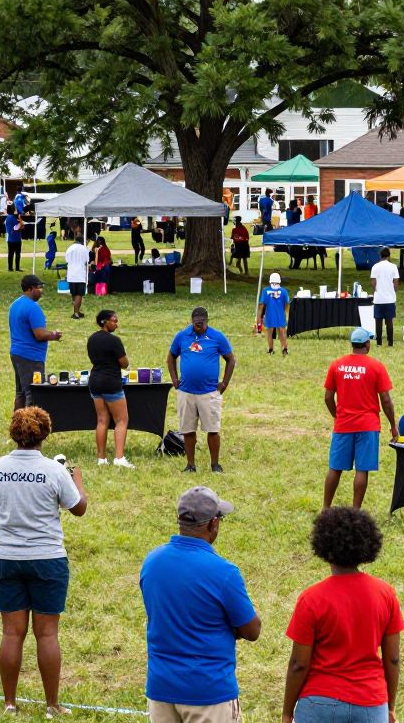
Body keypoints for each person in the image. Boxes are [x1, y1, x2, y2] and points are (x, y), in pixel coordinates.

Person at [0, 406, 87, 716]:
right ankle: (52, 704)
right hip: (47, 559)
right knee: (47, 634)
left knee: (12, 633)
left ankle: (10, 703)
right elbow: (78, 509)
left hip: (7, 558)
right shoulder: (54, 470)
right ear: (45, 434)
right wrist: (77, 480)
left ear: (13, 433)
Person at [140, 486, 261, 723]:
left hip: (161, 687)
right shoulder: (224, 572)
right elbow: (252, 630)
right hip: (209, 692)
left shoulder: (152, 562)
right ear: (213, 524)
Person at [282, 507, 403, 723]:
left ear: (324, 547)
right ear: (367, 547)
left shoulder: (311, 599)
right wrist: (389, 707)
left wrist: (287, 712)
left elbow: (298, 664)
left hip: (319, 703)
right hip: (370, 702)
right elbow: (393, 658)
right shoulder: (386, 594)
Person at [323, 327, 397, 510]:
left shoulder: (337, 365)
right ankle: (355, 512)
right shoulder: (376, 367)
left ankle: (325, 509)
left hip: (343, 425)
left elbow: (327, 397)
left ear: (352, 345)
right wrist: (393, 425)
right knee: (362, 470)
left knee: (335, 468)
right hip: (368, 426)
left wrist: (337, 415)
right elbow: (386, 400)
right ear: (367, 345)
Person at [167, 307, 236, 473]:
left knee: (212, 429)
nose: (199, 326)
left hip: (209, 391)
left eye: (202, 323)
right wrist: (175, 380)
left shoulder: (217, 337)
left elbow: (231, 359)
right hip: (186, 391)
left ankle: (215, 464)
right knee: (188, 430)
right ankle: (190, 465)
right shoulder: (182, 336)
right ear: (192, 322)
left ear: (207, 321)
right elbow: (171, 358)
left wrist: (224, 383)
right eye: (196, 323)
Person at [88, 310, 135, 468]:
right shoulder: (114, 341)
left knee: (101, 420)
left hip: (94, 381)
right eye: (114, 321)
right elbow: (124, 363)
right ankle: (119, 458)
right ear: (104, 322)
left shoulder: (92, 339)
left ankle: (101, 459)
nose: (116, 323)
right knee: (121, 420)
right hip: (111, 382)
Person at [8, 275, 62, 410]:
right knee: (33, 393)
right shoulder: (33, 307)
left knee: (20, 393)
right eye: (39, 288)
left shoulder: (15, 304)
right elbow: (39, 334)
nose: (41, 291)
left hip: (17, 353)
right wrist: (54, 335)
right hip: (30, 357)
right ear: (31, 289)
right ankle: (28, 428)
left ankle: (17, 426)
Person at [371, 247, 399, 348]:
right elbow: (396, 283)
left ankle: (379, 343)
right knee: (389, 321)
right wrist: (392, 291)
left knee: (378, 322)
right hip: (389, 299)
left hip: (378, 299)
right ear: (389, 255)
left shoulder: (375, 267)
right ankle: (390, 343)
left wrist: (376, 291)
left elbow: (373, 283)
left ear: (380, 255)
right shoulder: (393, 266)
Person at [257, 272, 290, 355]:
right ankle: (284, 349)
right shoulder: (284, 291)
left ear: (270, 281)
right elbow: (287, 304)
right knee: (282, 332)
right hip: (280, 315)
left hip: (270, 315)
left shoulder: (265, 291)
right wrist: (287, 315)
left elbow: (261, 305)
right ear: (279, 281)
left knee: (269, 333)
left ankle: (271, 349)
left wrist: (259, 318)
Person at [65, 235, 89, 320]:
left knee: (73, 293)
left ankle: (76, 311)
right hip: (80, 274)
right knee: (79, 294)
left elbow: (66, 260)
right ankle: (76, 313)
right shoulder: (84, 249)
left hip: (71, 274)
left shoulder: (70, 248)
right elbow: (86, 260)